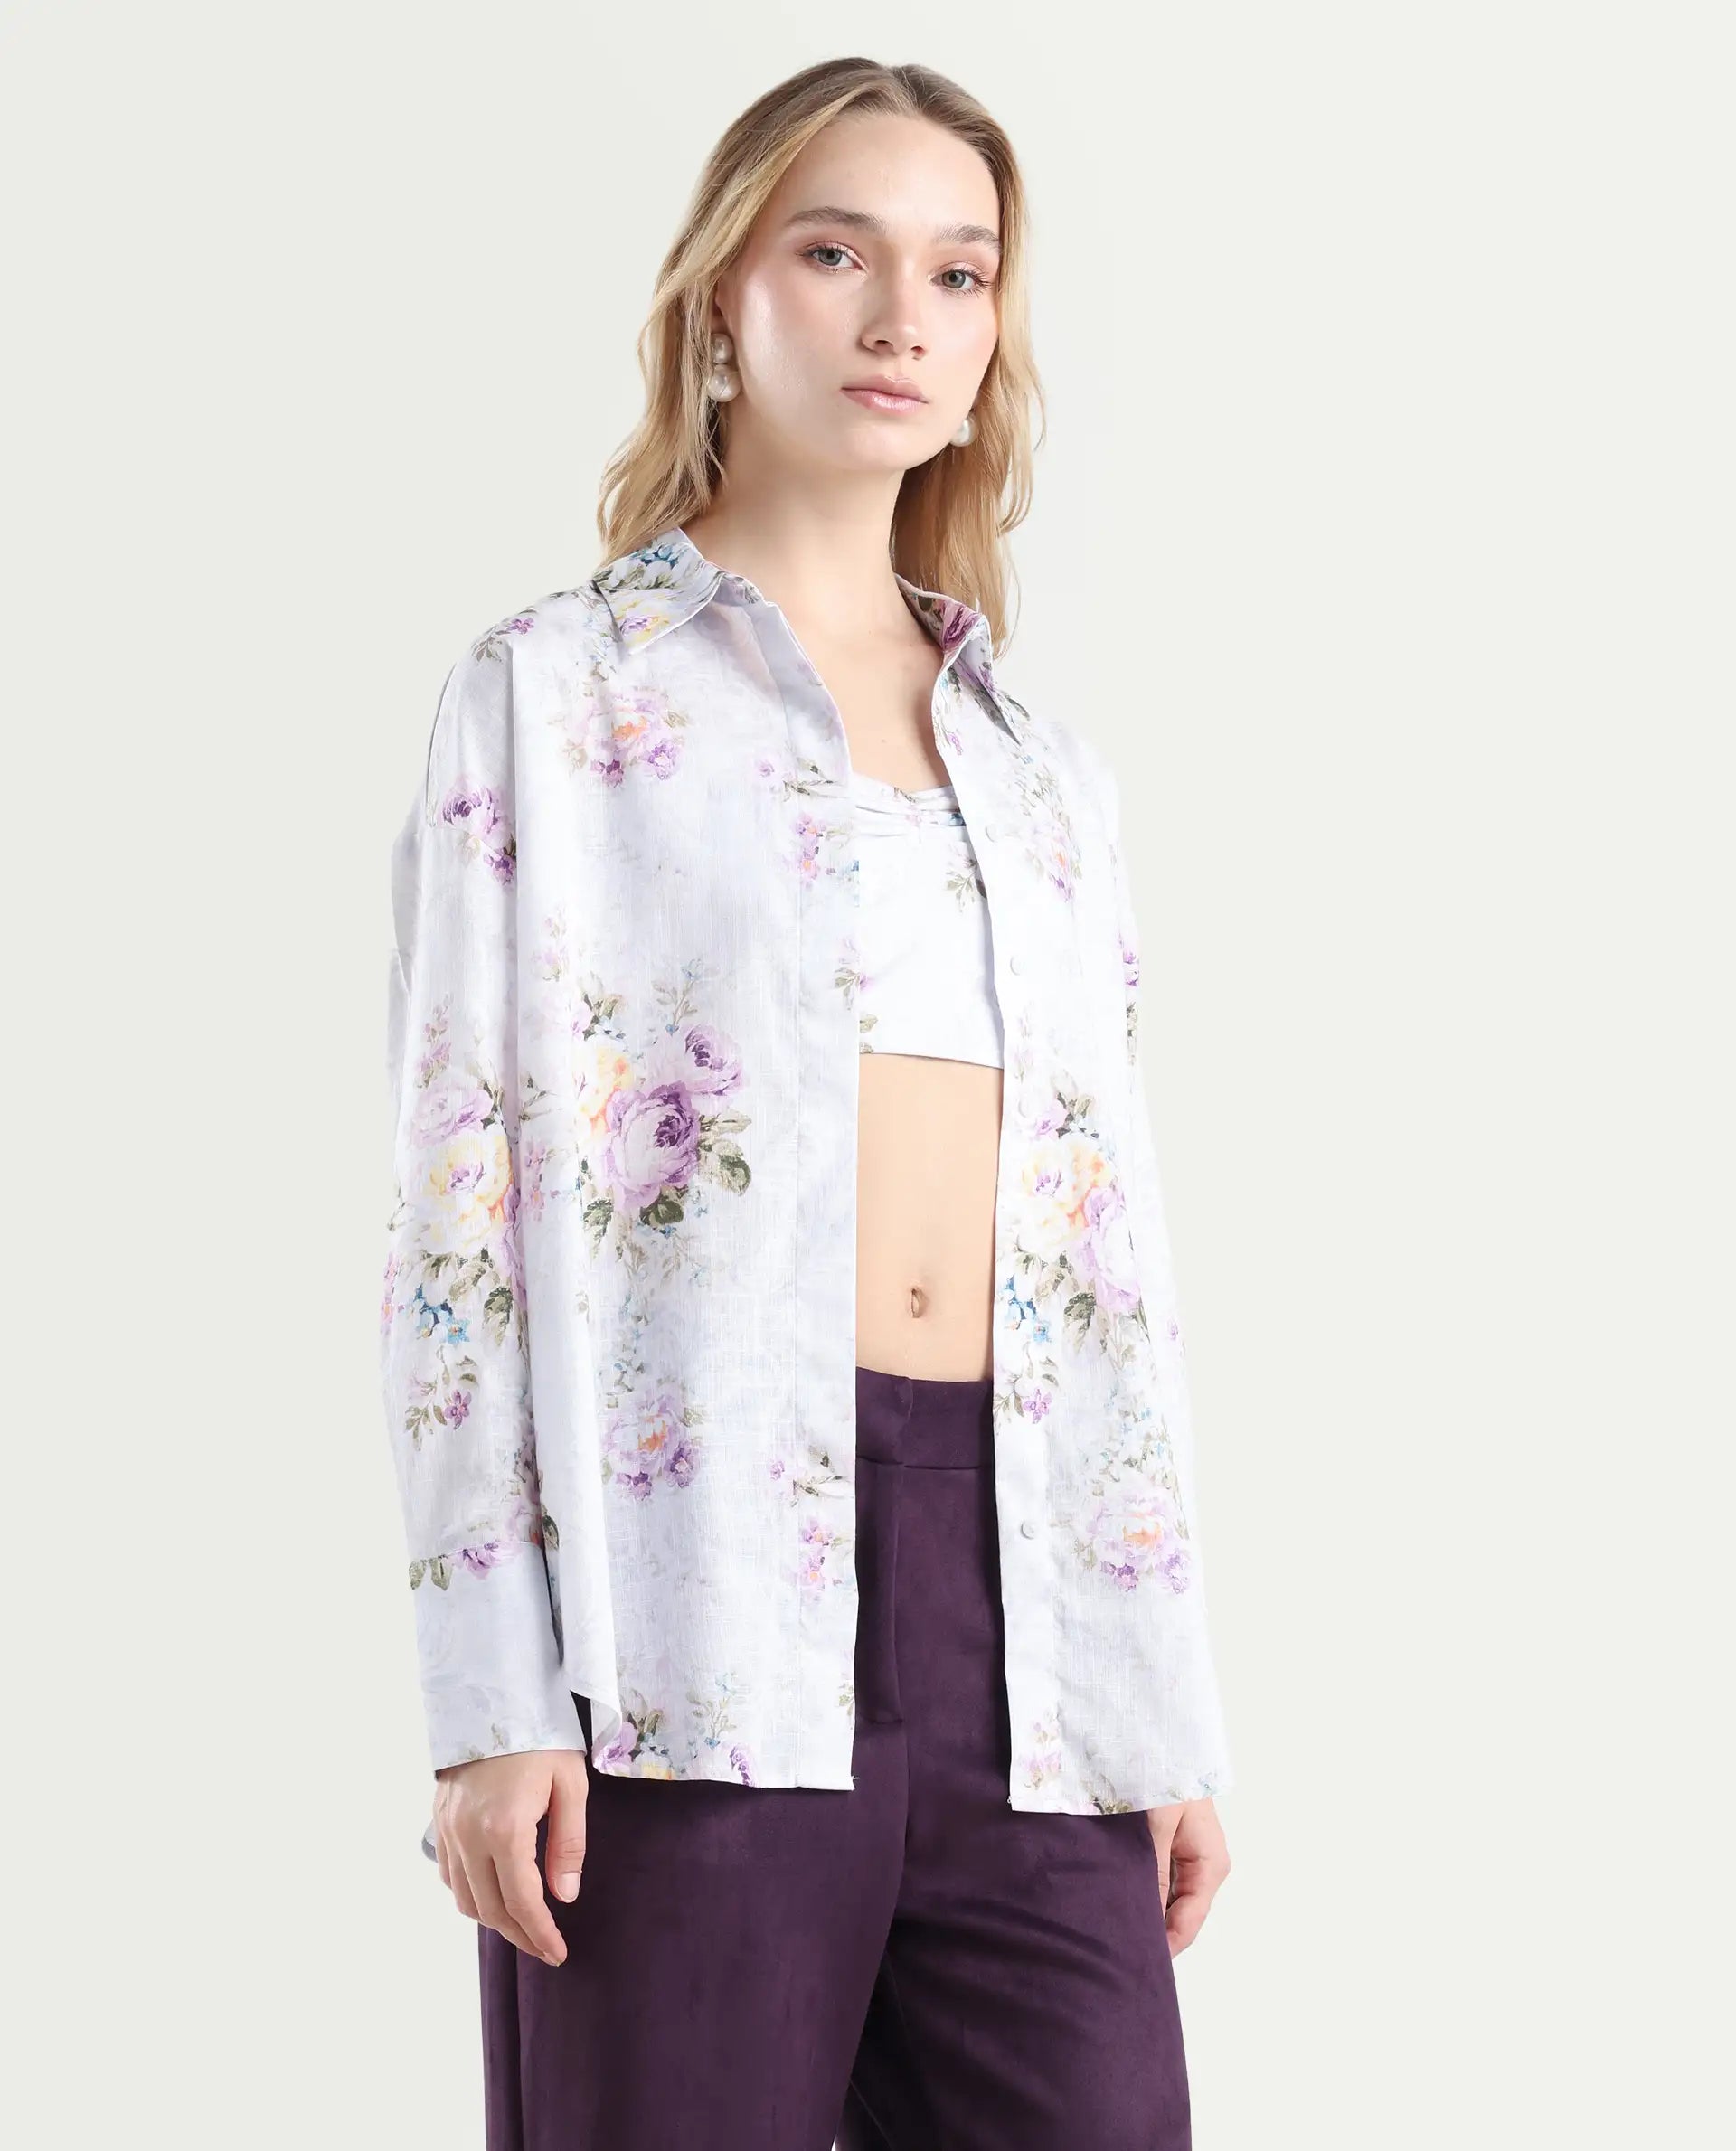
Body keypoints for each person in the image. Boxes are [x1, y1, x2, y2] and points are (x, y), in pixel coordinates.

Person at [379, 54, 1234, 2151]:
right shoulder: (558, 695)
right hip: (688, 1621)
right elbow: (456, 1225)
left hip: (1027, 1629)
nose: (901, 316)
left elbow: (1109, 1255)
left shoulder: (1044, 775)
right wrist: (492, 1697)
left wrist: (1157, 1699)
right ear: (718, 301)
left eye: (960, 272)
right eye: (837, 252)